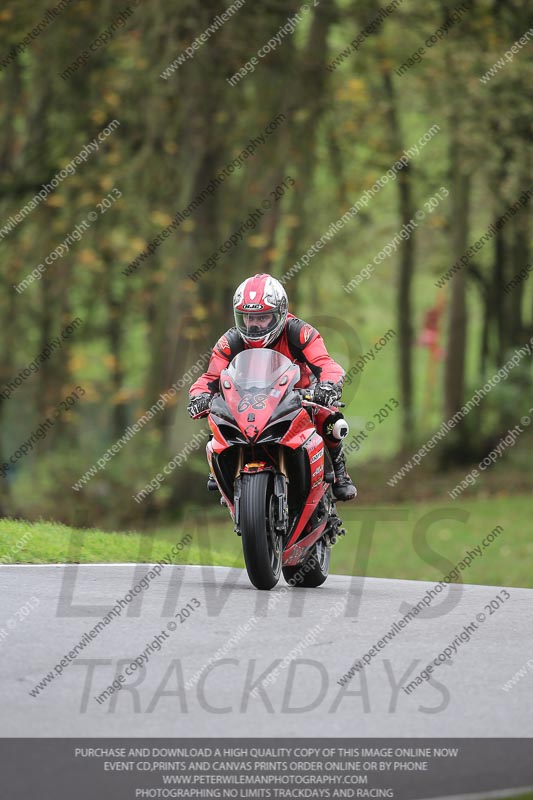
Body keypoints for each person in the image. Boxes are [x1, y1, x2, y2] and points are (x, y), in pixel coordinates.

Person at [187, 273, 357, 501]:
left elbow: (327, 364)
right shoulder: (231, 341)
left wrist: (328, 387)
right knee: (217, 412)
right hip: (248, 402)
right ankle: (220, 470)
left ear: (280, 314)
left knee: (331, 419)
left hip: (298, 398)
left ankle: (339, 471)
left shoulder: (299, 332)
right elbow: (210, 377)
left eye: (263, 317)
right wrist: (199, 396)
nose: (254, 325)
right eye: (247, 318)